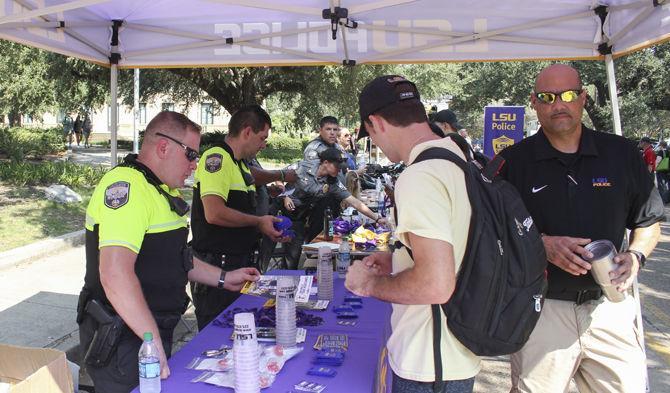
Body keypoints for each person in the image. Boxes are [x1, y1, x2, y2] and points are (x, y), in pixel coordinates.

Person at [497, 64, 664, 393]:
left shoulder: (621, 154)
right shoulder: (513, 163)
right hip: (542, 311)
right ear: (534, 102)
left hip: (609, 309)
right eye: (547, 97)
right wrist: (542, 245)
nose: (559, 104)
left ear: (583, 98)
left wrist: (636, 256)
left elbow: (648, 222)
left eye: (569, 95)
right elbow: (494, 235)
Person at [77, 111, 260, 393]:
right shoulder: (128, 187)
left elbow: (177, 258)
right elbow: (115, 274)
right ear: (164, 147)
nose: (194, 165)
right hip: (123, 338)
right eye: (190, 154)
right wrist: (151, 342)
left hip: (146, 333)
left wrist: (224, 277)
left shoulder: (159, 189)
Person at [345, 75, 480, 393]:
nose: (375, 144)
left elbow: (435, 284)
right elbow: (455, 243)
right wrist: (398, 259)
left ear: (376, 122)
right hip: (455, 350)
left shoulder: (419, 176)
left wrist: (370, 284)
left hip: (429, 363)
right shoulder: (455, 156)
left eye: (371, 137)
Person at [189, 105, 288, 330]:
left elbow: (242, 202)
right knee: (218, 336)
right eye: (262, 137)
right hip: (218, 269)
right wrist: (258, 222)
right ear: (246, 132)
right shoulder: (217, 158)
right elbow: (214, 213)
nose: (264, 145)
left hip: (239, 265)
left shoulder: (239, 163)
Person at [282, 147, 388, 268]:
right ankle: (287, 277)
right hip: (290, 213)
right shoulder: (303, 166)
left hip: (307, 215)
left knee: (305, 248)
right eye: (337, 167)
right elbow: (278, 177)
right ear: (326, 162)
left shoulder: (333, 182)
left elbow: (355, 202)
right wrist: (285, 196)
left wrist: (377, 218)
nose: (339, 171)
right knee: (293, 253)